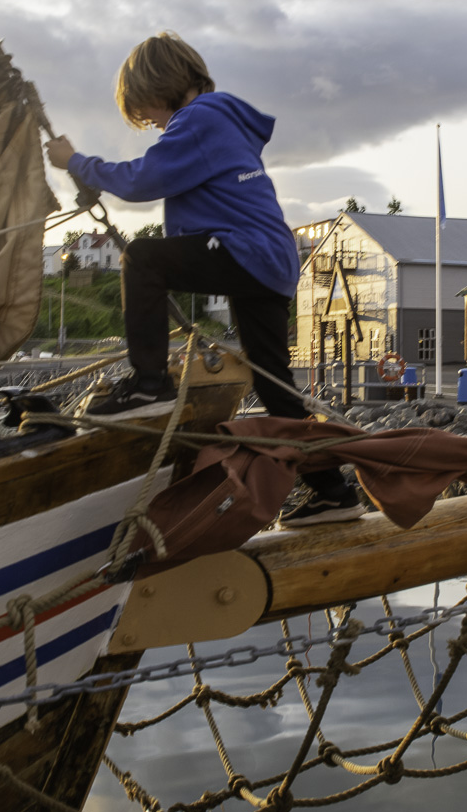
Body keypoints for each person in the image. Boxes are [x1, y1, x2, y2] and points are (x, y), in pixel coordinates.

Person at [44, 32, 363, 526]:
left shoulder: (199, 119)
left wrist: (76, 162)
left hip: (245, 250)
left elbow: (142, 181)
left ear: (162, 84)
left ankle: (149, 383)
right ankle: (334, 493)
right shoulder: (221, 121)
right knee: (276, 385)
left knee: (144, 260)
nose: (149, 121)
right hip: (269, 258)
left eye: (146, 109)